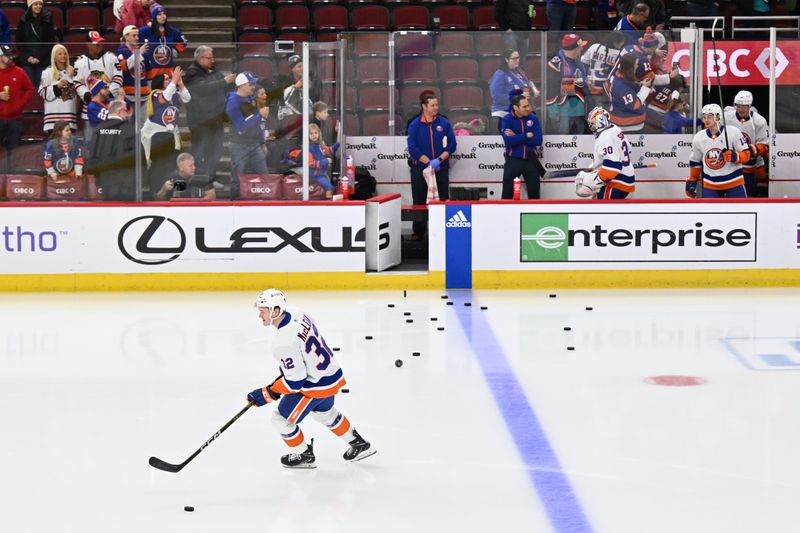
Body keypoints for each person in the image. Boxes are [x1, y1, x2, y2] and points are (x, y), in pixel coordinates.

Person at [246, 289, 376, 469]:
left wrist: (268, 392)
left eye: (263, 311)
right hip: (330, 374)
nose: (260, 315)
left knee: (280, 420)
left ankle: (304, 455)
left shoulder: (281, 342)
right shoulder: (297, 312)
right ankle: (358, 444)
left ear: (276, 311)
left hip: (315, 386)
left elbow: (295, 382)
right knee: (325, 413)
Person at [184, 45, 236, 188]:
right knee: (200, 151)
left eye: (212, 57)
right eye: (209, 58)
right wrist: (224, 81)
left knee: (216, 151)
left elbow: (223, 85)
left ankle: (210, 179)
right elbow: (203, 88)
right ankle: (196, 181)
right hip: (200, 121)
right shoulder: (192, 72)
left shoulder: (213, 70)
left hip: (216, 119)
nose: (212, 60)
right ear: (200, 58)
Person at [407, 91, 456, 240]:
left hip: (440, 168)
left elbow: (452, 145)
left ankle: (442, 230)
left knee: (442, 199)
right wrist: (428, 163)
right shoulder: (415, 124)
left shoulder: (444, 123)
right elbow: (412, 148)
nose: (436, 107)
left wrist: (439, 160)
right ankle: (419, 232)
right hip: (420, 170)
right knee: (419, 201)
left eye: (437, 104)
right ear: (424, 106)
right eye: (433, 105)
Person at [686, 103, 754, 199]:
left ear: (718, 117)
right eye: (704, 117)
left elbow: (746, 155)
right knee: (710, 213)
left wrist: (735, 156)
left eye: (709, 116)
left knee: (739, 213)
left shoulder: (733, 132)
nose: (706, 120)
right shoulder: (698, 137)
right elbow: (695, 161)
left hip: (734, 182)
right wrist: (692, 180)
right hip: (711, 184)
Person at [142, 68, 190, 197]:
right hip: (156, 136)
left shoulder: (174, 94)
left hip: (171, 136)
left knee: (172, 165)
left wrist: (180, 84)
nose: (170, 80)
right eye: (167, 79)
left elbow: (187, 99)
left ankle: (175, 194)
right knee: (158, 166)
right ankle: (155, 193)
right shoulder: (156, 94)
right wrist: (174, 80)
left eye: (170, 78)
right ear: (159, 82)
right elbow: (164, 97)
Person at [575, 106, 636, 199]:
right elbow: (628, 150)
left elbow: (614, 167)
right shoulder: (615, 128)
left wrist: (593, 183)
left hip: (616, 183)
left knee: (603, 211)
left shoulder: (605, 137)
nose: (592, 127)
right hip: (625, 179)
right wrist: (592, 169)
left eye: (592, 124)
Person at [226, 71, 269, 200]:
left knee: (264, 175)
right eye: (250, 84)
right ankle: (232, 205)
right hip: (238, 145)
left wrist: (262, 142)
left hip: (254, 144)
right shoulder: (233, 103)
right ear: (241, 85)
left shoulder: (250, 98)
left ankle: (267, 201)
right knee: (237, 177)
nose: (253, 87)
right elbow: (241, 126)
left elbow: (257, 124)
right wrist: (259, 115)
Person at [74, 31, 122, 142]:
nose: (99, 45)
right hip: (90, 109)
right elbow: (77, 83)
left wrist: (108, 93)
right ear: (88, 44)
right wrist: (87, 95)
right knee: (91, 143)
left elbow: (118, 77)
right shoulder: (80, 62)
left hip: (109, 106)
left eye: (100, 42)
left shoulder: (111, 58)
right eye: (96, 43)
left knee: (110, 142)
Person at [87, 100, 138, 201]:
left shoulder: (98, 129)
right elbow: (135, 154)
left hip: (104, 177)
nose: (127, 114)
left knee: (108, 209)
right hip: (123, 179)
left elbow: (92, 153)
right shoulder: (127, 129)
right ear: (120, 111)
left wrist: (97, 176)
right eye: (126, 110)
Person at [724, 90, 769, 197]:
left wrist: (752, 150)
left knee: (747, 195)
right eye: (738, 106)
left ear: (749, 106)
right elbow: (713, 128)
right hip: (730, 164)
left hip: (749, 165)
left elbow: (764, 144)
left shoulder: (759, 121)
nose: (741, 109)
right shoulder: (725, 117)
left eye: (744, 106)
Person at [500, 93, 543, 199]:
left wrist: (517, 136)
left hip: (531, 160)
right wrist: (526, 135)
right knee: (507, 195)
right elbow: (508, 141)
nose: (528, 108)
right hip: (513, 160)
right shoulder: (506, 119)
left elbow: (538, 140)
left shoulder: (533, 118)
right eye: (524, 106)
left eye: (528, 105)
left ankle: (533, 215)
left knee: (534, 195)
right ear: (515, 107)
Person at [545, 33, 588, 135]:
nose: (582, 49)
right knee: (563, 142)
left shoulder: (578, 62)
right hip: (562, 112)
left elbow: (580, 84)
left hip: (579, 111)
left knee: (579, 142)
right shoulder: (556, 63)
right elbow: (551, 88)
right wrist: (553, 112)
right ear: (575, 48)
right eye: (580, 47)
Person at [0, 45, 35, 168]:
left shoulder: (19, 72)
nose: (11, 57)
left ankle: (11, 177)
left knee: (13, 151)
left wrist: (21, 104)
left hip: (15, 119)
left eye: (11, 54)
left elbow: (30, 89)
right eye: (7, 55)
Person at [489, 50, 540, 132]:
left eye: (518, 58)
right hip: (503, 114)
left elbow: (525, 88)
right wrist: (518, 98)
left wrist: (532, 92)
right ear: (506, 59)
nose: (517, 60)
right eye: (514, 58)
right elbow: (497, 96)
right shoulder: (500, 74)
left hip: (518, 114)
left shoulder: (519, 72)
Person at [138, 3, 188, 83]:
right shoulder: (145, 31)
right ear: (154, 17)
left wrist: (175, 50)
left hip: (167, 72)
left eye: (164, 13)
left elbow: (184, 41)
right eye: (159, 14)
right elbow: (134, 41)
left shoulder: (172, 31)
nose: (163, 16)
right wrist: (142, 54)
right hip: (151, 72)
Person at [15, 0, 57, 86]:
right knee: (29, 86)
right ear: (30, 6)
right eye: (35, 4)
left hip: (42, 59)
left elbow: (50, 41)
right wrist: (28, 57)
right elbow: (19, 41)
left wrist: (39, 57)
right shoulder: (23, 20)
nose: (38, 6)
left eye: (40, 4)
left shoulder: (47, 20)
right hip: (27, 60)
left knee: (41, 86)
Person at [39, 44, 79, 134]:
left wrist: (74, 86)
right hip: (52, 118)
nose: (63, 56)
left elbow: (77, 92)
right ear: (54, 56)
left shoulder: (73, 71)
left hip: (69, 116)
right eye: (60, 54)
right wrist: (57, 86)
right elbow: (42, 92)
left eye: (65, 53)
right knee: (54, 146)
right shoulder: (47, 72)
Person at [581, 32, 625, 112]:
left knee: (591, 116)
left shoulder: (595, 47)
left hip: (588, 87)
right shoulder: (618, 55)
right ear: (617, 43)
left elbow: (583, 63)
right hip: (603, 91)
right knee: (601, 119)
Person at [607, 53, 652, 131]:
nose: (637, 67)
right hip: (628, 126)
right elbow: (635, 105)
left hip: (626, 121)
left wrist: (641, 86)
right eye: (636, 64)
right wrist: (644, 89)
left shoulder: (620, 76)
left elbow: (629, 88)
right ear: (630, 67)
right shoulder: (620, 86)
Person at [117, 25, 152, 109]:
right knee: (129, 122)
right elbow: (124, 67)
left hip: (144, 94)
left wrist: (150, 90)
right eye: (133, 36)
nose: (137, 38)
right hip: (128, 95)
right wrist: (139, 53)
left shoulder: (142, 51)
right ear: (126, 37)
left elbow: (149, 73)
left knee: (144, 121)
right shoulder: (121, 52)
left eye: (137, 35)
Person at [307, 122, 337, 198]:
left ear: (319, 133)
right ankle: (328, 205)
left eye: (316, 133)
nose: (314, 135)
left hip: (321, 173)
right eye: (311, 133)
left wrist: (339, 143)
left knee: (332, 187)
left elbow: (329, 150)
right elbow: (311, 163)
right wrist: (326, 161)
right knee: (329, 187)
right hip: (314, 175)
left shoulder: (321, 145)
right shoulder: (308, 147)